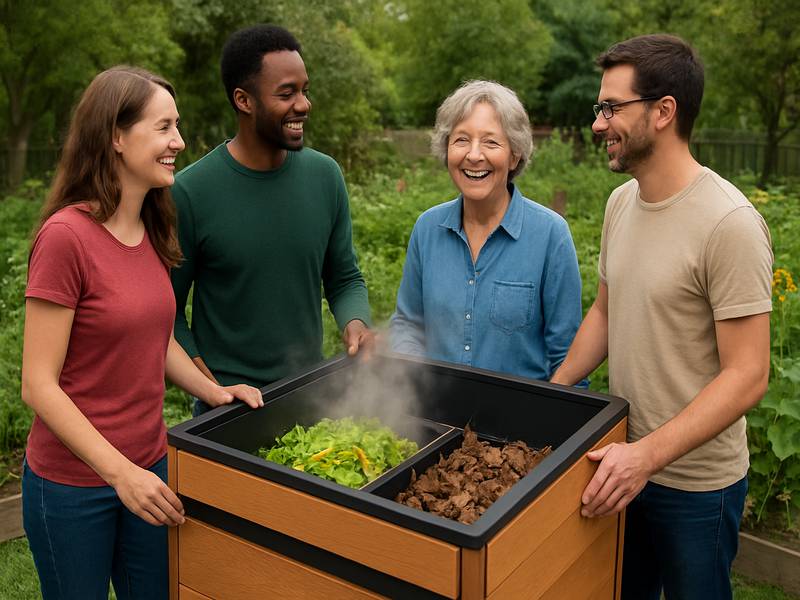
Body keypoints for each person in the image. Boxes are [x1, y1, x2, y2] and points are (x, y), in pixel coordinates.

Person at [21, 66, 263, 600]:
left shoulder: (153, 224)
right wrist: (120, 474)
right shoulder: (65, 238)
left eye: (178, 126)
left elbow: (156, 339)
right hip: (72, 485)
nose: (179, 142)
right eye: (164, 127)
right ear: (116, 136)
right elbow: (38, 385)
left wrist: (213, 392)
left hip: (149, 464)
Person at [550, 35, 772, 599]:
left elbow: (748, 374)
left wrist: (645, 457)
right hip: (620, 464)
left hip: (696, 486)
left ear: (663, 111)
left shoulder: (729, 223)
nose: (598, 123)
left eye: (611, 108)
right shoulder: (620, 203)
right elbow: (605, 311)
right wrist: (554, 391)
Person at [171, 24, 373, 416]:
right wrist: (213, 388)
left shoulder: (325, 176)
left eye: (305, 90)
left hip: (310, 398)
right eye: (286, 93)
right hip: (226, 410)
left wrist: (356, 324)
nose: (303, 104)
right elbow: (168, 313)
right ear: (243, 100)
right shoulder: (190, 192)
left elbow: (344, 276)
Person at [390, 80, 582, 381]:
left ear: (514, 155)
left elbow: (567, 355)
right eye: (461, 140)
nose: (474, 155)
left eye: (491, 142)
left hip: (522, 412)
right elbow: (408, 324)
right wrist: (412, 383)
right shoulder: (427, 228)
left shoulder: (550, 235)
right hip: (435, 407)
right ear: (446, 149)